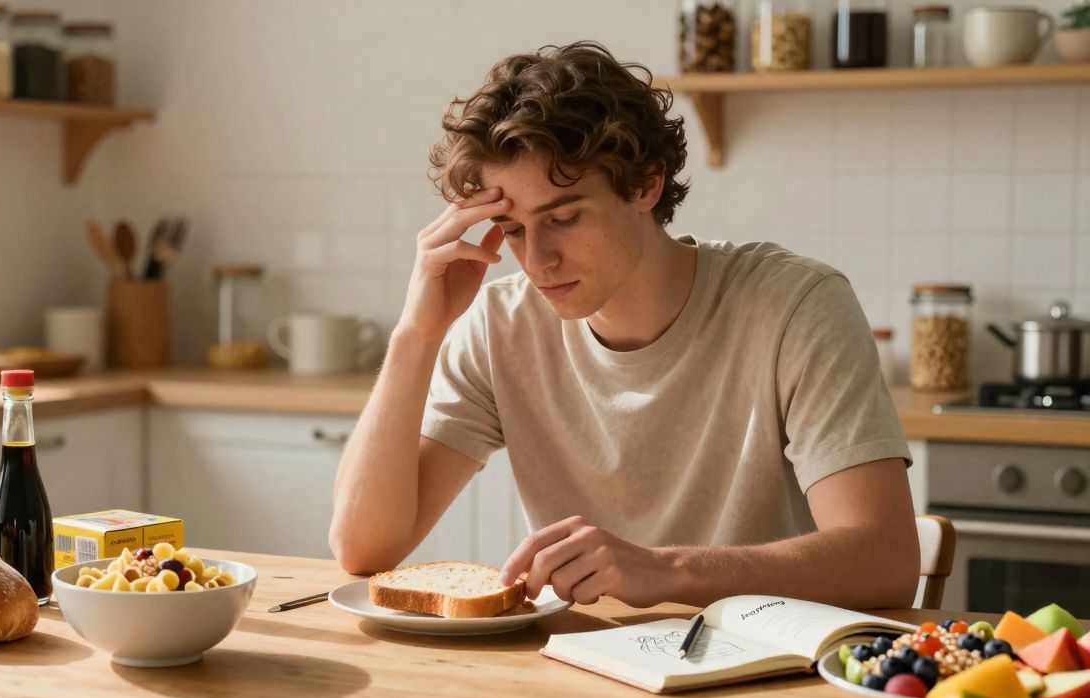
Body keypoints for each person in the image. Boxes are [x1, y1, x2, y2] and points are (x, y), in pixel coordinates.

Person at [329, 41, 919, 610]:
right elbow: (362, 549)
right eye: (512, 230)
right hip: (585, 671)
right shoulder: (498, 326)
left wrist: (666, 570)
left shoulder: (796, 306)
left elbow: (886, 561)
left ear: (645, 184)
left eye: (563, 217)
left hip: (765, 675)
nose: (536, 261)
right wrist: (417, 332)